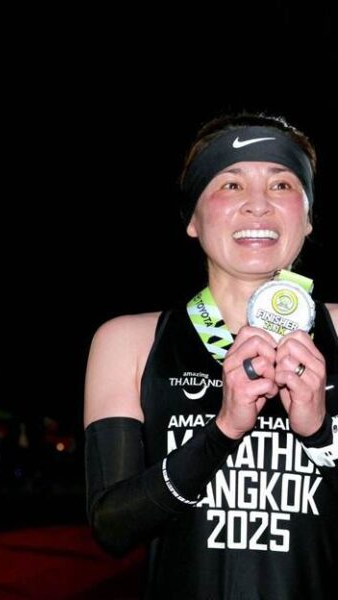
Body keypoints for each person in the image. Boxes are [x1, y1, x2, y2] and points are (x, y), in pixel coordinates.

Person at [84, 113, 338, 599]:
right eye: (231, 183)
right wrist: (221, 432)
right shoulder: (128, 342)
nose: (258, 204)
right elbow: (112, 527)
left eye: (282, 184)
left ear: (308, 216)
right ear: (193, 219)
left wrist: (321, 435)